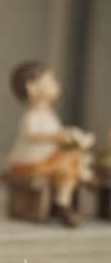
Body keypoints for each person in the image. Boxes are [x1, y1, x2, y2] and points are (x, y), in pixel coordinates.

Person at [9, 61, 94, 227]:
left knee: (70, 162)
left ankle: (62, 202)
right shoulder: (32, 115)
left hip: (45, 159)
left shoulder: (48, 113)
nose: (56, 85)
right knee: (69, 161)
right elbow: (31, 134)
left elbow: (56, 133)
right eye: (50, 81)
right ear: (32, 87)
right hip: (30, 162)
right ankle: (64, 201)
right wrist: (56, 137)